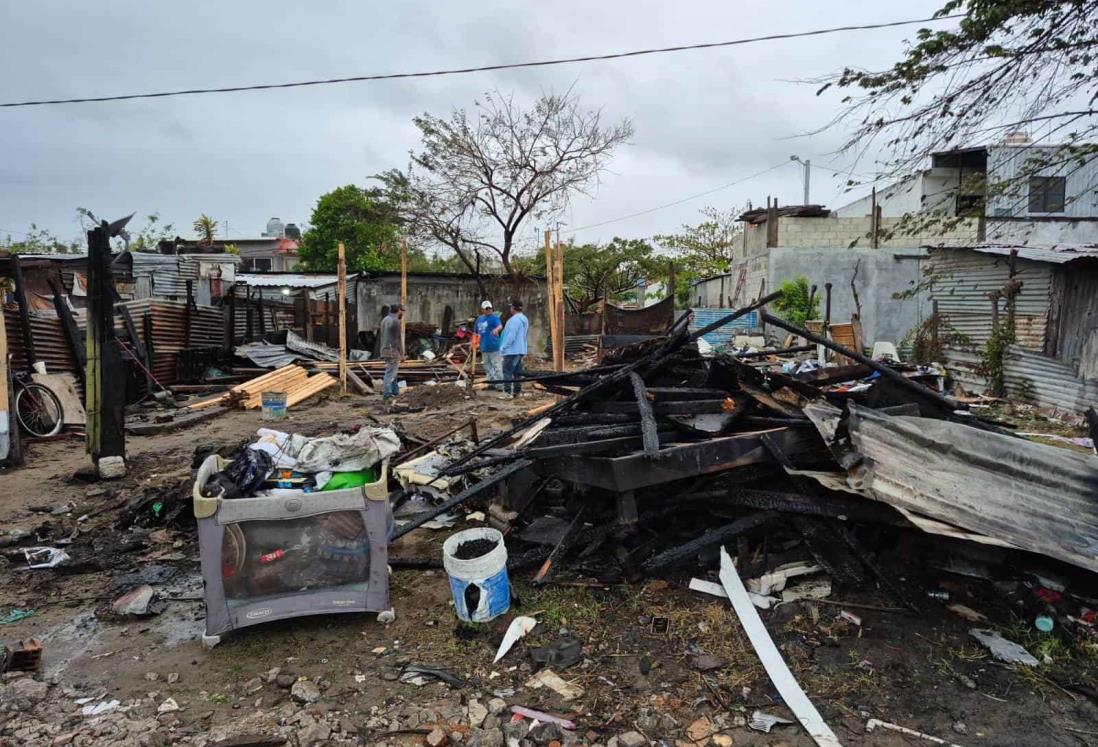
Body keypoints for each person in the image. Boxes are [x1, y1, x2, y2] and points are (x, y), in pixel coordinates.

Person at [499, 299, 529, 399]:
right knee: (517, 372)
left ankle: (507, 393)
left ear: (513, 308)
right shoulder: (524, 319)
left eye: (511, 307)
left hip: (511, 350)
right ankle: (517, 391)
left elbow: (511, 336)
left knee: (507, 371)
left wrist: (504, 346)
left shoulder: (513, 320)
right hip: (520, 350)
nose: (510, 309)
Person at [474, 300, 503, 391]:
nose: (488, 310)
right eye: (486, 309)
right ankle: (491, 383)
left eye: (489, 308)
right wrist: (474, 343)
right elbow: (475, 332)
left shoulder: (494, 318)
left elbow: (500, 326)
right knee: (487, 367)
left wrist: (496, 330)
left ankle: (500, 385)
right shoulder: (479, 319)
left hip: (494, 347)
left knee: (497, 366)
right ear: (483, 310)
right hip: (484, 347)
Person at [378, 303, 405, 400]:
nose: (403, 313)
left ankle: (395, 391)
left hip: (385, 349)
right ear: (399, 311)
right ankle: (387, 394)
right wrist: (402, 354)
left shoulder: (385, 319)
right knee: (390, 373)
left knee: (394, 372)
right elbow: (397, 339)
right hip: (392, 350)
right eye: (402, 311)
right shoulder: (395, 321)